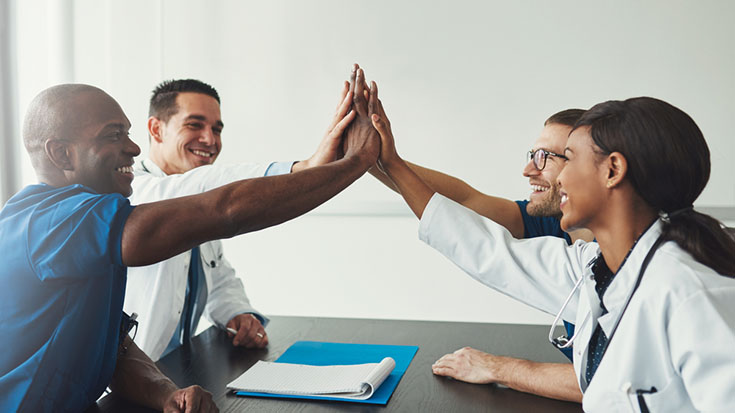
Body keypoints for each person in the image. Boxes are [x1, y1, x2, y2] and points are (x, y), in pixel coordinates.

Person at [0, 68, 378, 412]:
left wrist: (166, 392)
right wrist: (352, 163)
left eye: (128, 134)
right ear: (61, 153)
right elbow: (221, 209)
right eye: (114, 135)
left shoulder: (85, 220)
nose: (132, 147)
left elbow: (113, 344)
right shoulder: (50, 221)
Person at [372, 88, 735, 411]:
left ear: (613, 170)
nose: (555, 177)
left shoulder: (690, 292)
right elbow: (484, 248)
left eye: (568, 157)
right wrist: (387, 162)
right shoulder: (596, 266)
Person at [368, 98, 590, 401]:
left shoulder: (635, 265)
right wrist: (375, 158)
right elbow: (463, 203)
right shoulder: (557, 223)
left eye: (545, 157)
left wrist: (499, 368)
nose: (528, 170)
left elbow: (608, 380)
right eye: (532, 155)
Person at [125, 79, 356, 360]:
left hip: (175, 370)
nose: (210, 140)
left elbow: (217, 274)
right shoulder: (135, 191)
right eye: (194, 125)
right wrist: (305, 168)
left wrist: (238, 312)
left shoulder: (198, 198)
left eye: (216, 129)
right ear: (156, 129)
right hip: (125, 387)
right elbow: (201, 190)